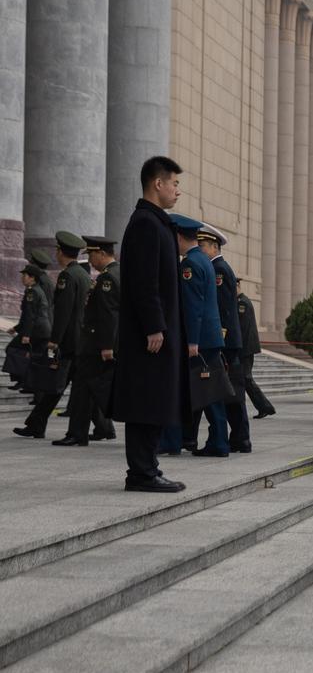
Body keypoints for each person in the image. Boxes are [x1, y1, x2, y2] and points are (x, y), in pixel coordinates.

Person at [111, 157, 187, 492]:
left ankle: (148, 467)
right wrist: (154, 326)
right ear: (158, 184)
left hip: (159, 329)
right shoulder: (145, 223)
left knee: (155, 398)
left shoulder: (156, 222)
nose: (177, 191)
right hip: (150, 334)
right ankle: (141, 472)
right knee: (146, 398)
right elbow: (143, 282)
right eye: (174, 183)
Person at [158, 215, 228, 458]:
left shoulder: (189, 264)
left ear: (178, 236)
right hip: (208, 337)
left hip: (198, 339)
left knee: (191, 392)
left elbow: (192, 306)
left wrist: (191, 341)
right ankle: (215, 440)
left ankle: (175, 441)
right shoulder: (202, 260)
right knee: (209, 393)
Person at [16, 232, 89, 439]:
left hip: (68, 341)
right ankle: (36, 424)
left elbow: (63, 312)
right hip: (80, 338)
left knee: (56, 385)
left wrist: (55, 340)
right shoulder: (83, 274)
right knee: (62, 387)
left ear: (60, 252)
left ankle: (37, 424)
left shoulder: (67, 276)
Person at [53, 235, 119, 446]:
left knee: (83, 388)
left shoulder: (108, 278)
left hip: (96, 343)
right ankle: (102, 427)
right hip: (101, 343)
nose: (90, 260)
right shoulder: (117, 273)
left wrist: (107, 345)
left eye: (91, 254)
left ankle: (77, 434)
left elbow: (108, 314)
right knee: (90, 387)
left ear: (101, 253)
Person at [197, 225, 250, 453]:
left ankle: (238, 438)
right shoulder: (218, 268)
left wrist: (219, 338)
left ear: (213, 246)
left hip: (225, 342)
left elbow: (221, 308)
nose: (199, 250)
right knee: (232, 393)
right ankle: (240, 438)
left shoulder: (218, 269)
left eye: (201, 246)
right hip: (228, 341)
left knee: (227, 392)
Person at [237, 291, 275, 420]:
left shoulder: (242, 303)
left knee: (246, 379)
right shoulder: (242, 301)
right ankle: (264, 407)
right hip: (247, 347)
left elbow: (241, 328)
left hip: (245, 348)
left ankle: (265, 407)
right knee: (245, 379)